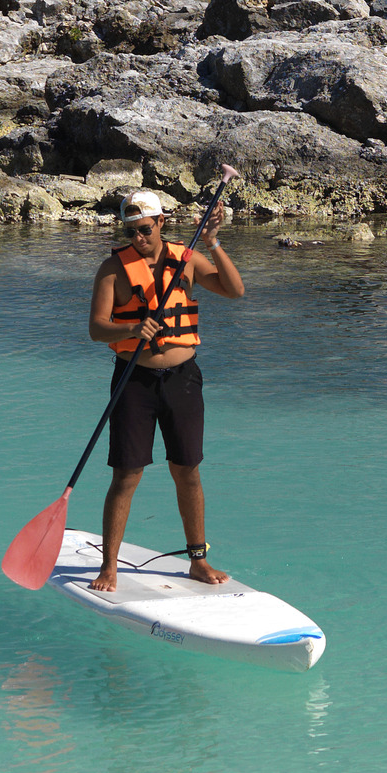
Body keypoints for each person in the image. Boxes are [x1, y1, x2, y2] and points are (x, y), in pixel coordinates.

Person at [83, 185, 245, 594]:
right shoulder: (112, 269)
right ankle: (109, 566)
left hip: (182, 379)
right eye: (131, 230)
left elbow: (234, 290)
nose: (139, 237)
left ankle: (198, 560)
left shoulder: (187, 260)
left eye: (146, 228)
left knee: (187, 470)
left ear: (162, 223)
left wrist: (213, 242)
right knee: (127, 474)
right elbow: (96, 329)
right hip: (133, 380)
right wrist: (132, 328)